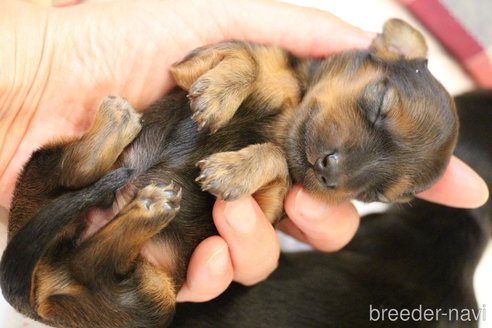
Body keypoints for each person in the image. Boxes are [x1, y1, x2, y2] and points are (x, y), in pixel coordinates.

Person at [0, 0, 488, 304]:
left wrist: (269, 164)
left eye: (376, 186)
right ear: (386, 50)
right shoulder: (270, 66)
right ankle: (94, 159)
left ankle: (124, 234)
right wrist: (234, 74)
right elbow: (195, 68)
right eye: (377, 108)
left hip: (118, 252)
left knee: (149, 303)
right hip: (63, 190)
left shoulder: (285, 185)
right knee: (63, 173)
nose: (341, 168)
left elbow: (264, 203)